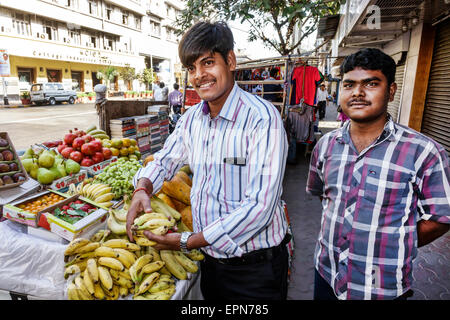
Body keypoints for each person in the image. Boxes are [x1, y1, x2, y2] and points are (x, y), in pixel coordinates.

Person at [127, 21, 290, 300]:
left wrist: (187, 241)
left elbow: (259, 207)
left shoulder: (262, 120)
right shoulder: (192, 119)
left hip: (255, 271)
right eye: (191, 68)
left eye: (208, 63)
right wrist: (142, 188)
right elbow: (165, 159)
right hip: (211, 265)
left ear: (230, 61)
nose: (199, 75)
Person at [306, 48, 450, 300]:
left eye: (371, 83)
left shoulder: (424, 151)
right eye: (349, 84)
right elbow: (323, 195)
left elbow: (441, 217)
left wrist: (398, 241)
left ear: (391, 90)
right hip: (327, 276)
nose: (358, 93)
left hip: (382, 287)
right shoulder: (325, 145)